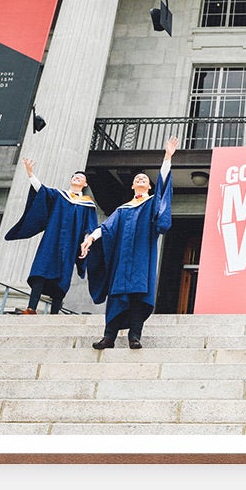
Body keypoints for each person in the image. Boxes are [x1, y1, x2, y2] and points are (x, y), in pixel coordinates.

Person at [79, 137, 178, 349]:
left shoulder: (152, 204)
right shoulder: (123, 209)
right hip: (122, 262)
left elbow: (163, 190)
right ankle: (109, 337)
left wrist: (167, 158)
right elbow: (106, 228)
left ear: (149, 187)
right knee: (117, 296)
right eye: (138, 179)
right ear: (133, 185)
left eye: (145, 179)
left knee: (137, 297)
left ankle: (135, 336)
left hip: (142, 259)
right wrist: (90, 238)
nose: (141, 180)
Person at [3, 158, 98, 315]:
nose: (76, 178)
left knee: (62, 278)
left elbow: (90, 226)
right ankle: (31, 308)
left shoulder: (87, 204)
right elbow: (41, 190)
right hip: (51, 241)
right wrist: (30, 173)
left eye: (80, 177)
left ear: (85, 184)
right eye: (74, 176)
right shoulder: (59, 195)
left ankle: (54, 314)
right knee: (41, 270)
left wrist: (86, 242)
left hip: (70, 244)